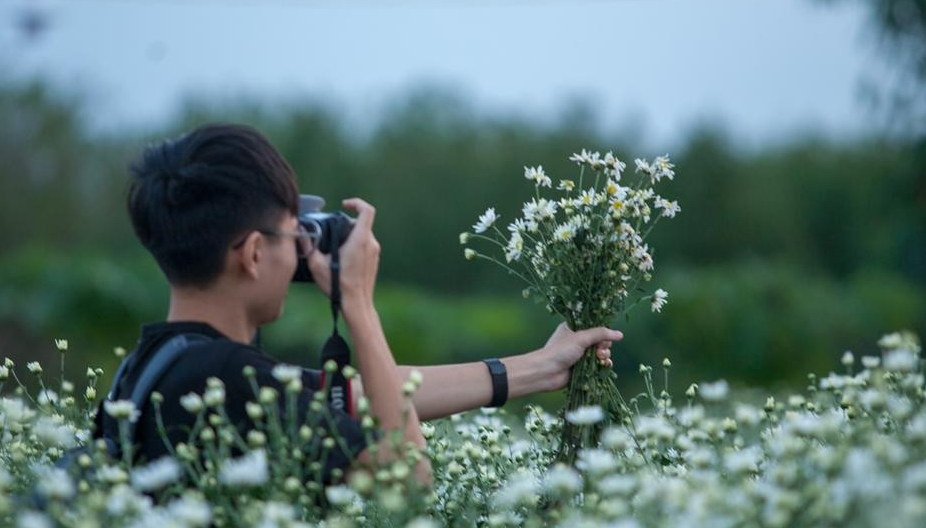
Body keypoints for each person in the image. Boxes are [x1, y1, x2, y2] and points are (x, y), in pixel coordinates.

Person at [98, 122, 622, 491]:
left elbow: (365, 395)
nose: (304, 248)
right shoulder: (228, 379)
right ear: (255, 253)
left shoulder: (158, 366)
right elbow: (408, 478)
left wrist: (540, 367)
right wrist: (358, 306)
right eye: (292, 232)